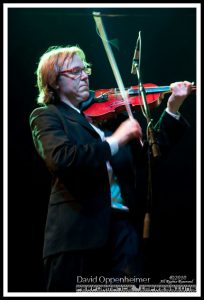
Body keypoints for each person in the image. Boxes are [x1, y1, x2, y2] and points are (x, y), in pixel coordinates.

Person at [29, 45, 193, 292]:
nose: (85, 75)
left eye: (85, 69)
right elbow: (62, 159)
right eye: (75, 71)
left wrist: (173, 108)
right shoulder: (47, 116)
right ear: (54, 81)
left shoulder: (106, 122)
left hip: (123, 231)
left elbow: (150, 157)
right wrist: (116, 140)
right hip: (78, 235)